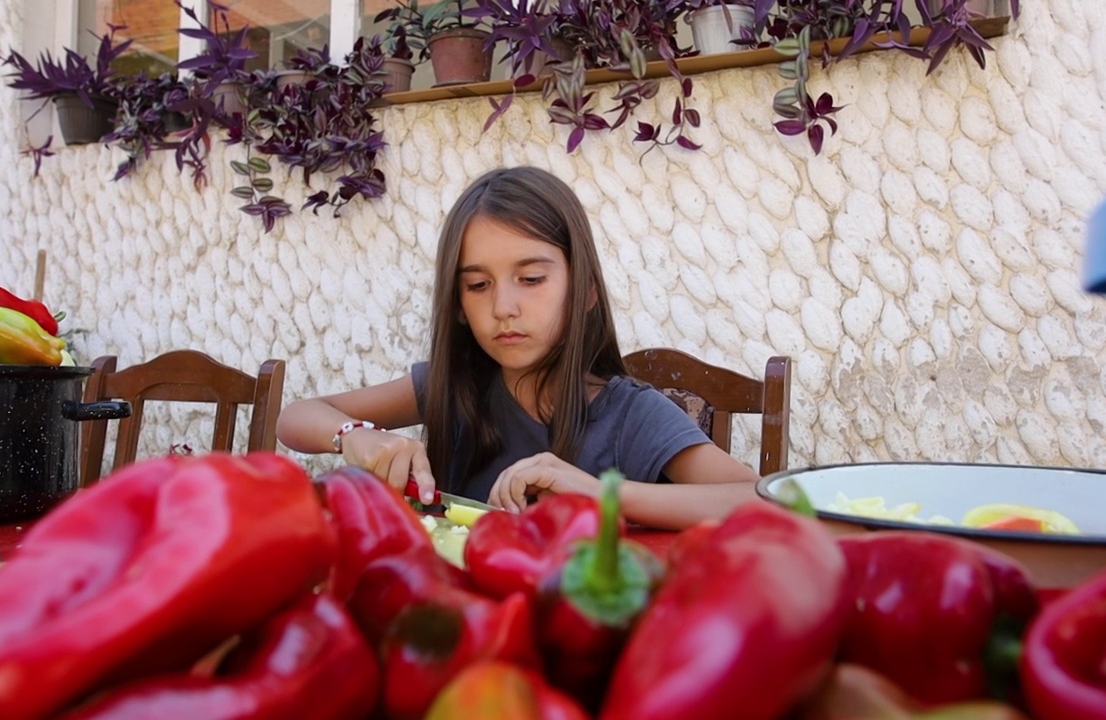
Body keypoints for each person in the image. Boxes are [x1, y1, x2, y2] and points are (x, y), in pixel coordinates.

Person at [276, 166, 761, 529]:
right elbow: (295, 418)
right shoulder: (453, 386)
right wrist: (356, 434)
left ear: (587, 290)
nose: (504, 307)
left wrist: (603, 495)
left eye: (531, 279)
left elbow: (766, 499)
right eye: (478, 285)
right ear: (458, 304)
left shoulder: (630, 415)